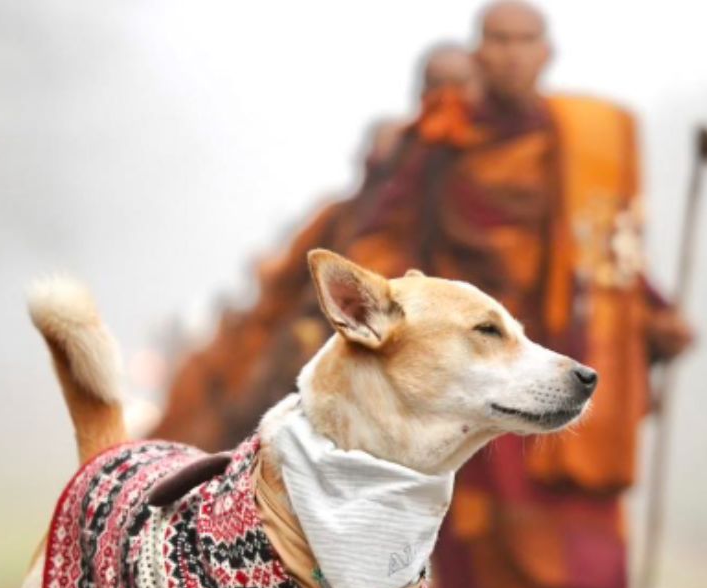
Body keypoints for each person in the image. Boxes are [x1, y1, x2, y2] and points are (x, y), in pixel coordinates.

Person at [341, 0, 695, 588]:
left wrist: (658, 318)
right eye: (492, 41)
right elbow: (385, 234)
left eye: (521, 41)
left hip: (563, 361)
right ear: (478, 51)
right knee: (473, 547)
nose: (506, 55)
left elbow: (611, 251)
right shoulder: (440, 145)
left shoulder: (587, 142)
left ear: (547, 51)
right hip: (473, 375)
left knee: (561, 547)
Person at [155, 43, 484, 450]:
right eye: (437, 84)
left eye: (460, 83)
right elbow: (289, 276)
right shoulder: (352, 207)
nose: (447, 97)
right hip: (345, 331)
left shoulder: (486, 166)